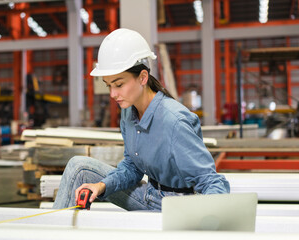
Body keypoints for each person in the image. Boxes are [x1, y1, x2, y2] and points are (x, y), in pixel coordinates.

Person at [53, 28, 230, 211]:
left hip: (174, 207)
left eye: (119, 84)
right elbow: (132, 168)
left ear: (143, 77)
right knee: (79, 167)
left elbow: (211, 181)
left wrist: (207, 221)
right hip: (149, 195)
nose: (113, 94)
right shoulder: (128, 113)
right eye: (109, 86)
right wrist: (101, 186)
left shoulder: (174, 122)